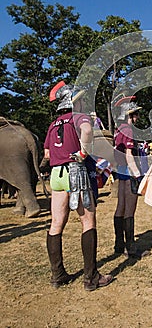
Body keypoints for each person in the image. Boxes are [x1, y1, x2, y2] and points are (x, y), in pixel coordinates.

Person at [43, 81, 113, 291]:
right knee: (88, 221)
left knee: (56, 223)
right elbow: (87, 131)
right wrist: (82, 152)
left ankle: (58, 275)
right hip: (76, 173)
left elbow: (47, 153)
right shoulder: (80, 117)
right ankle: (91, 278)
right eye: (80, 98)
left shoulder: (54, 124)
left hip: (57, 175)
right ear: (74, 101)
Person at [113, 95, 148, 258]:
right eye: (136, 114)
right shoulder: (128, 130)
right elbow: (129, 155)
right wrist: (138, 175)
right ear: (130, 115)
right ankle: (130, 247)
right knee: (129, 209)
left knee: (120, 207)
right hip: (128, 170)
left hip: (120, 170)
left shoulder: (118, 130)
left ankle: (119, 244)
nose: (138, 117)